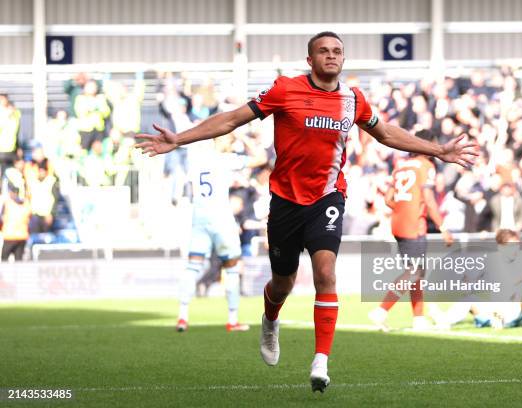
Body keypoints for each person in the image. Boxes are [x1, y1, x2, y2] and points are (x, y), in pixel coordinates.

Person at [135, 31, 478, 393]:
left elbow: (387, 134)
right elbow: (233, 119)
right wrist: (180, 138)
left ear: (343, 59)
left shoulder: (353, 100)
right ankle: (270, 319)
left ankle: (321, 362)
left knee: (326, 272)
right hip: (285, 200)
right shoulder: (284, 89)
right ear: (310, 60)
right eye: (323, 51)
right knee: (282, 282)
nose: (331, 56)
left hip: (327, 198)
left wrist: (437, 150)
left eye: (337, 51)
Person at [176, 134, 265, 333]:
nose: (232, 142)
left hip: (199, 217)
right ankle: (232, 320)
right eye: (229, 139)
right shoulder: (227, 160)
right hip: (221, 218)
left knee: (192, 267)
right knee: (232, 267)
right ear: (219, 140)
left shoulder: (197, 160)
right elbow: (261, 159)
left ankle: (182, 317)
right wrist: (246, 139)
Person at [368, 141, 454, 331]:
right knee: (414, 272)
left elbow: (389, 199)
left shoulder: (400, 166)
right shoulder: (426, 166)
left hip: (398, 223)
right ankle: (381, 311)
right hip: (414, 225)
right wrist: (443, 227)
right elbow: (430, 200)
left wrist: (403, 209)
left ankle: (419, 319)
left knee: (417, 272)